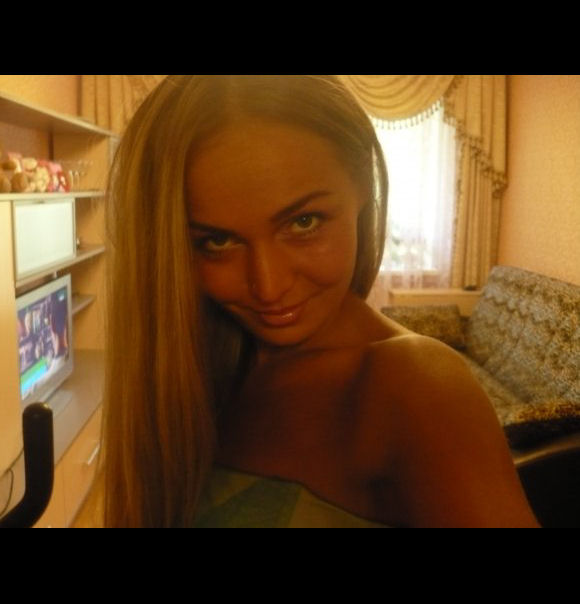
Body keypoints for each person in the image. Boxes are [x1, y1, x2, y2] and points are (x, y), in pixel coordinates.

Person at [99, 75, 540, 528]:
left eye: (304, 222)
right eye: (217, 241)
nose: (269, 287)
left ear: (362, 187)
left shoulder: (415, 387)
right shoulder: (196, 368)